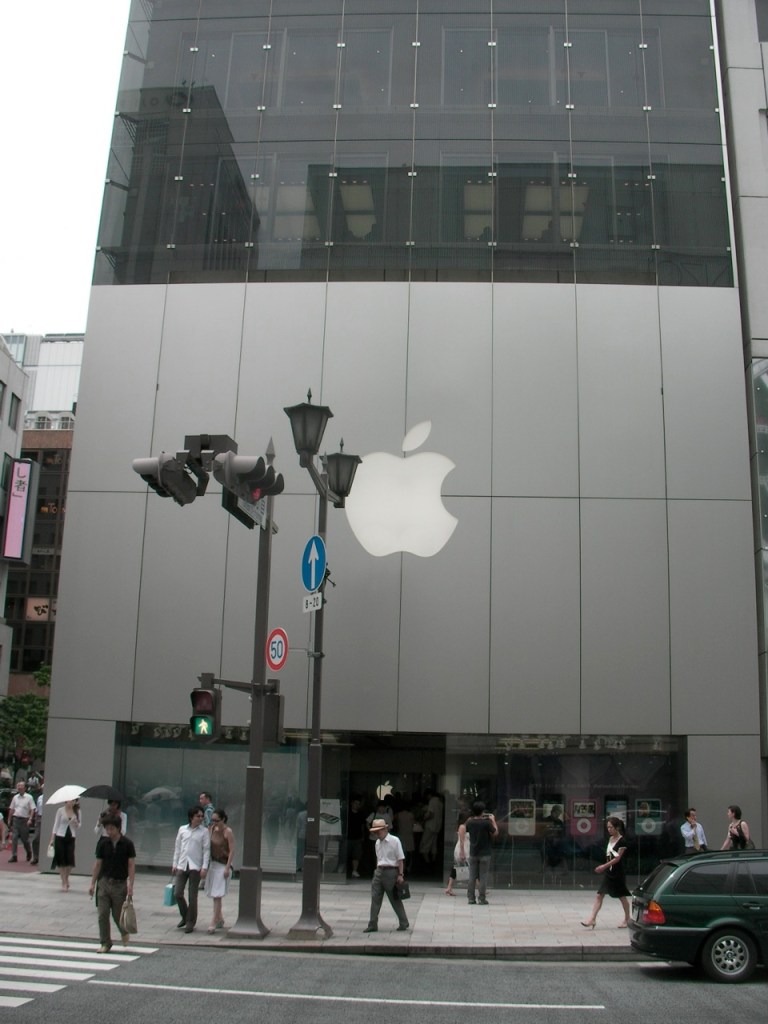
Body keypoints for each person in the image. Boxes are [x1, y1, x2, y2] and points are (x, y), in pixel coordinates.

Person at [88, 815, 136, 953]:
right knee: (102, 914)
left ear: (118, 828)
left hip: (119, 883)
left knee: (117, 914)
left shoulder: (127, 844)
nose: (109, 831)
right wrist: (92, 883)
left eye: (112, 829)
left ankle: (123, 931)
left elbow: (131, 865)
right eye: (107, 829)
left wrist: (130, 885)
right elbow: (98, 864)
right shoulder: (103, 844)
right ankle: (105, 942)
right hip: (104, 881)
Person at [581, 816, 631, 929]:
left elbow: (617, 858)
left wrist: (603, 866)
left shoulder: (622, 841)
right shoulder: (610, 839)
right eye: (608, 827)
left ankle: (627, 919)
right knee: (599, 895)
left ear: (617, 827)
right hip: (609, 872)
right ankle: (592, 919)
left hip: (617, 872)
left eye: (611, 827)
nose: (609, 829)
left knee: (622, 896)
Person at [364, 818, 409, 933]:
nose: (377, 834)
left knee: (395, 899)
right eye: (375, 832)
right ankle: (372, 924)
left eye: (378, 831)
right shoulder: (377, 843)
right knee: (375, 899)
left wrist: (400, 874)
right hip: (379, 871)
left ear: (385, 829)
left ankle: (403, 922)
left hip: (391, 872)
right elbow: (379, 858)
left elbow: (400, 859)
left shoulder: (395, 841)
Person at [172, 805, 210, 933]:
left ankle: (190, 921)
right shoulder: (182, 829)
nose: (200, 818)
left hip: (196, 866)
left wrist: (204, 867)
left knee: (193, 896)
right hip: (182, 865)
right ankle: (185, 915)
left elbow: (206, 850)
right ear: (191, 817)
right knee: (177, 893)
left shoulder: (204, 832)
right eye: (197, 816)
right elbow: (178, 847)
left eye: (201, 816)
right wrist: (174, 863)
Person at [205, 808, 234, 933]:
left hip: (223, 864)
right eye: (212, 820)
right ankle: (220, 918)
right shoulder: (211, 829)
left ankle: (214, 920)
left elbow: (232, 850)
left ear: (223, 819)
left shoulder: (227, 831)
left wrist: (228, 867)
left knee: (217, 895)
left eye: (216, 820)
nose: (214, 822)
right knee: (214, 894)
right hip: (213, 864)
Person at [465, 801, 498, 905]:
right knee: (483, 876)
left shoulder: (470, 822)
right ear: (482, 811)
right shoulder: (486, 823)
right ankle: (481, 898)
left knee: (472, 876)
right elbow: (495, 832)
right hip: (485, 853)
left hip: (473, 852)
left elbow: (466, 828)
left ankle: (471, 898)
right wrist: (493, 821)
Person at [50, 799, 81, 890]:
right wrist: (52, 838)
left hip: (71, 836)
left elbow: (79, 825)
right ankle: (63, 881)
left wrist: (75, 822)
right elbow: (56, 825)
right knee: (61, 860)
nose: (70, 802)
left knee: (70, 859)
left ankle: (67, 877)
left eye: (72, 801)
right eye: (68, 801)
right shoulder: (60, 810)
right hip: (60, 836)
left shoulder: (77, 811)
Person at [8, 781, 35, 862]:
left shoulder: (29, 797)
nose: (19, 787)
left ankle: (29, 851)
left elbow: (32, 809)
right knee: (14, 837)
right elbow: (12, 809)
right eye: (18, 785)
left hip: (24, 820)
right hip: (16, 818)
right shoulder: (15, 797)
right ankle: (14, 855)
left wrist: (30, 818)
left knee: (25, 839)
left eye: (21, 786)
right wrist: (9, 819)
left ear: (25, 788)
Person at [444, 809, 470, 896]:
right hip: (462, 848)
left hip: (464, 848)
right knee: (468, 867)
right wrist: (462, 852)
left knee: (456, 868)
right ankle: (480, 888)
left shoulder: (465, 826)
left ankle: (449, 887)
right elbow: (462, 841)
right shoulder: (462, 827)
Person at [419, 789, 443, 864]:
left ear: (429, 795)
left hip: (430, 825)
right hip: (437, 826)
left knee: (424, 844)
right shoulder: (440, 801)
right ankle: (433, 861)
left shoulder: (432, 801)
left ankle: (427, 862)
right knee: (434, 844)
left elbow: (431, 814)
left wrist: (423, 820)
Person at [346, 796, 366, 878]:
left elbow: (362, 826)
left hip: (357, 837)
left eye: (358, 804)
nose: (357, 805)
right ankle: (343, 870)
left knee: (356, 855)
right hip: (348, 837)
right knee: (345, 854)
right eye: (355, 803)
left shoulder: (361, 814)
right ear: (352, 803)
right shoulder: (347, 813)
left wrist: (363, 836)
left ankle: (354, 870)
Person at [31, 785, 44, 864]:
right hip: (40, 817)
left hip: (47, 817)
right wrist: (35, 819)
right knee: (36, 839)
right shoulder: (40, 798)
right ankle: (36, 857)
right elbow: (37, 810)